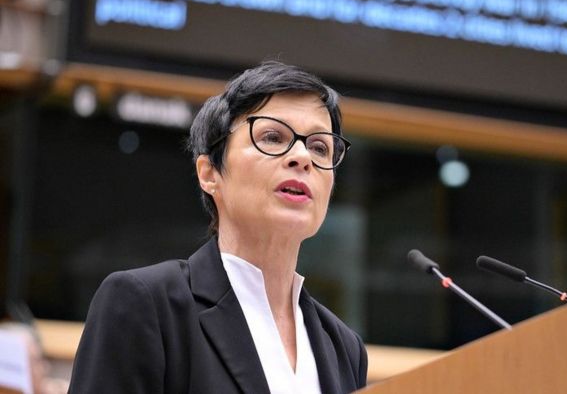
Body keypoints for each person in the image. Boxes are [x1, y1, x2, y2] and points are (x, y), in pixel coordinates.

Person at [68, 61, 368, 393]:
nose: (303, 157)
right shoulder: (146, 304)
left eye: (319, 147)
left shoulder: (345, 348)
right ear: (209, 173)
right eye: (272, 137)